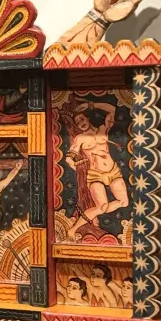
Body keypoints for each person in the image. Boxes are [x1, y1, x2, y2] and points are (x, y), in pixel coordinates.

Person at [64, 99, 129, 241]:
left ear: (87, 118)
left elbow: (112, 109)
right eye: (77, 122)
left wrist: (90, 105)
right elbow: (69, 158)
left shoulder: (103, 129)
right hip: (95, 175)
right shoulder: (80, 138)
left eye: (81, 118)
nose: (80, 122)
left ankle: (93, 214)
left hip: (113, 171)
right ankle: (73, 229)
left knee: (124, 202)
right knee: (102, 207)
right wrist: (74, 165)